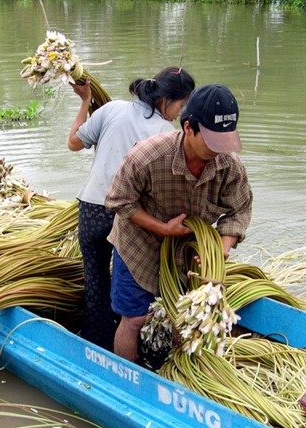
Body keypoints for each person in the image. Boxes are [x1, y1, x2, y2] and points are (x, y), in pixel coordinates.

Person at [105, 84, 253, 363]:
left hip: (189, 253)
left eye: (224, 141)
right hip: (139, 247)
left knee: (184, 317)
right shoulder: (147, 157)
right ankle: (127, 374)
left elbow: (240, 210)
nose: (219, 150)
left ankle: (180, 371)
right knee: (134, 319)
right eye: (211, 141)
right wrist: (162, 229)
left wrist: (221, 246)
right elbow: (118, 200)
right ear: (188, 128)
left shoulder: (230, 167)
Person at [67, 67, 195, 352]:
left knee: (96, 283)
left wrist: (85, 101)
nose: (180, 113)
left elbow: (74, 142)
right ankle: (127, 346)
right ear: (166, 100)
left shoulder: (112, 109)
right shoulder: (167, 133)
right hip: (126, 216)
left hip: (91, 209)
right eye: (181, 105)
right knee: (129, 288)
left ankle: (95, 345)